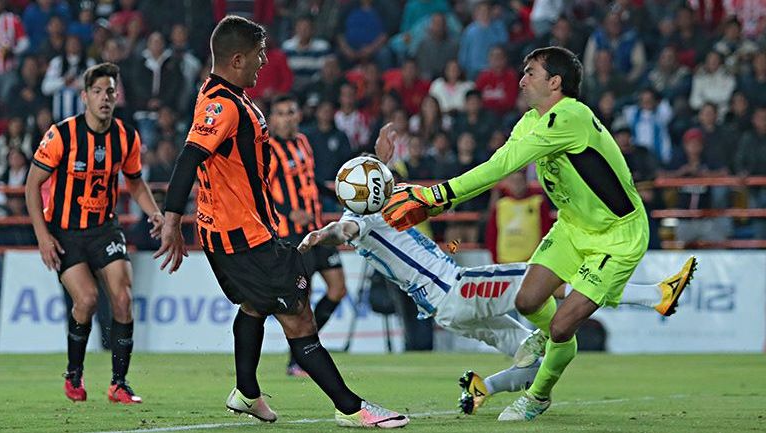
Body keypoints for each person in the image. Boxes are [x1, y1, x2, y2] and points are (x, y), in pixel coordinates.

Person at [381, 47, 695, 421]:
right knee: (528, 301)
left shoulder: (570, 117)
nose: (521, 79)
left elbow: (506, 167)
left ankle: (538, 395)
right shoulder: (530, 121)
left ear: (555, 82)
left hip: (617, 235)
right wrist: (440, 197)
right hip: (572, 227)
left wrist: (437, 195)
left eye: (530, 72)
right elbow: (499, 161)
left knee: (563, 324)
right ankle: (650, 298)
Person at [302, 123, 697, 417]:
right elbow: (348, 228)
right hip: (457, 289)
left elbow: (371, 194)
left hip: (446, 311)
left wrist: (381, 155)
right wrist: (326, 233)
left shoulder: (372, 203)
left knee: (529, 361)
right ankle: (655, 296)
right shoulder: (363, 221)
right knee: (544, 280)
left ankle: (483, 388)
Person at [153, 16, 408, 428]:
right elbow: (189, 158)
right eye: (258, 54)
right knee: (300, 319)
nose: (264, 60)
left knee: (255, 306)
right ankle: (352, 408)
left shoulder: (226, 96)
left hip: (245, 232)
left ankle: (246, 393)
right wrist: (170, 220)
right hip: (244, 236)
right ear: (237, 58)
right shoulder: (224, 105)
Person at [25, 62, 164, 404]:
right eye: (98, 92)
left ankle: (119, 383)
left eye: (110, 92)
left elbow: (134, 182)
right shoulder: (62, 135)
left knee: (123, 298)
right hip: (66, 232)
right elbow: (32, 186)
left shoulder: (126, 136)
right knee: (86, 300)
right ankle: (74, 373)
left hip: (104, 229)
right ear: (84, 96)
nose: (105, 98)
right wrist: (43, 237)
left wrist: (155, 213)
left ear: (117, 96)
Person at [267, 93, 348, 377]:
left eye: (291, 112)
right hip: (292, 236)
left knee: (338, 289)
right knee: (302, 300)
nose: (287, 118)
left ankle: (305, 351)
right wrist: (289, 212)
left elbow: (310, 180)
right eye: (281, 113)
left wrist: (338, 195)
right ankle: (297, 359)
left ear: (298, 115)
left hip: (318, 230)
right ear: (272, 120)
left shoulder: (303, 142)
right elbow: (263, 191)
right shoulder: (269, 150)